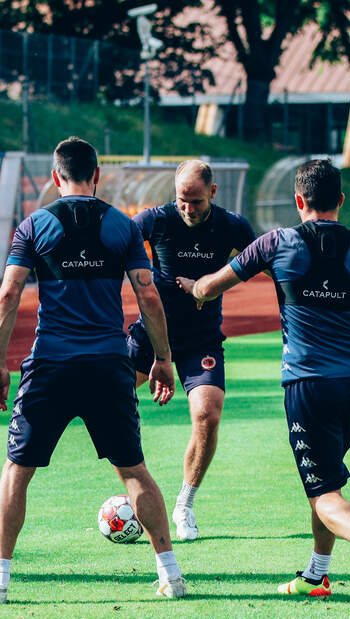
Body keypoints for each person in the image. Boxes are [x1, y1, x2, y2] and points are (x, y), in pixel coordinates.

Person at [179, 159, 350, 609]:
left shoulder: (276, 242)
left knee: (323, 490)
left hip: (308, 385)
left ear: (298, 200)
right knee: (325, 478)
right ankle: (316, 574)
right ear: (341, 200)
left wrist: (194, 289)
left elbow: (213, 286)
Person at [0, 136, 187, 605]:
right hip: (108, 365)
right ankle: (171, 575)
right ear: (97, 176)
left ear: (56, 177)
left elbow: (8, 294)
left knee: (16, 471)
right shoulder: (122, 226)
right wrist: (163, 359)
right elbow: (148, 296)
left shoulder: (34, 225)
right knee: (133, 470)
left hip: (50, 365)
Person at [128, 160, 256, 541]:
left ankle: (184, 504)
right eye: (182, 200)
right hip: (152, 335)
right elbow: (116, 243)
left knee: (207, 414)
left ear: (213, 193)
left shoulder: (232, 226)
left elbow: (264, 263)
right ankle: (134, 489)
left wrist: (210, 285)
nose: (188, 209)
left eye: (196, 202)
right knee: (106, 399)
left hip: (201, 339)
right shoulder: (156, 220)